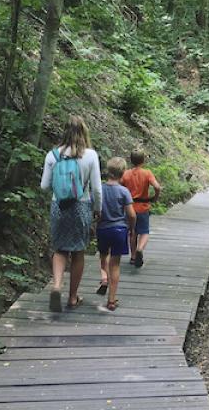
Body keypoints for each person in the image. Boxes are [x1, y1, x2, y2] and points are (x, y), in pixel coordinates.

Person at [40, 116, 101, 312]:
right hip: (80, 207)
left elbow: (44, 186)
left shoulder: (52, 155)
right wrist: (97, 209)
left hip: (58, 206)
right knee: (77, 251)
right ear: (84, 132)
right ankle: (73, 297)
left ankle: (57, 285)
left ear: (64, 131)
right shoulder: (90, 155)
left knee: (59, 249)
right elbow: (97, 189)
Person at [96, 157, 136, 311]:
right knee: (116, 264)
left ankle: (104, 277)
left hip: (103, 229)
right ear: (123, 173)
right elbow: (131, 214)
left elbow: (95, 209)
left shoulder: (100, 189)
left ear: (108, 171)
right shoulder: (123, 191)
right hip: (119, 229)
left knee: (103, 255)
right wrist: (131, 228)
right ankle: (111, 300)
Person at [120, 149, 161, 268]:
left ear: (131, 160)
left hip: (129, 208)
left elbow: (120, 187)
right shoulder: (147, 173)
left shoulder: (126, 174)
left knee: (132, 232)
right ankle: (140, 249)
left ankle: (133, 257)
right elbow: (157, 187)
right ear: (143, 160)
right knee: (144, 232)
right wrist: (154, 197)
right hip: (143, 207)